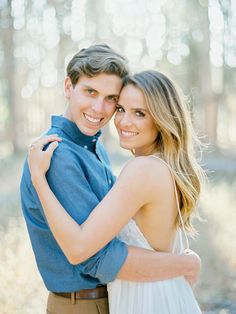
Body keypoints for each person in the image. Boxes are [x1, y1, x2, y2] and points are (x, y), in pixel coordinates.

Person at [21, 44, 201, 314]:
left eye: (110, 99)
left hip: (128, 297)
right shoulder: (58, 154)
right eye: (90, 92)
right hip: (82, 304)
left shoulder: (100, 150)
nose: (100, 108)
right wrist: (184, 264)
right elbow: (93, 255)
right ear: (68, 87)